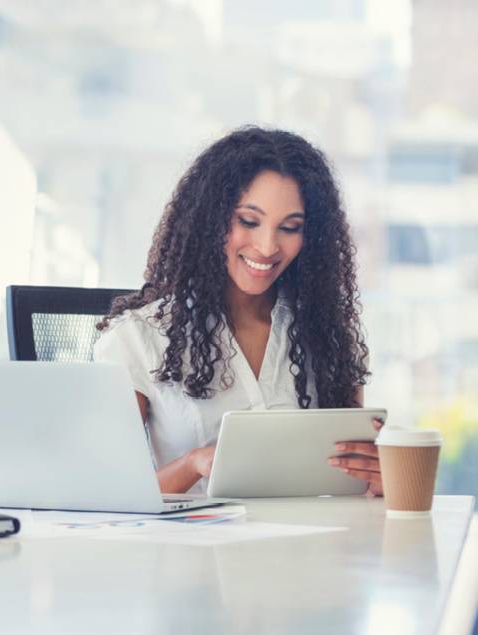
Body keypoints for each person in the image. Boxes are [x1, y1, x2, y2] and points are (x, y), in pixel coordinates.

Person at [94, 126, 383, 495]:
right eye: (248, 221)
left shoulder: (326, 333)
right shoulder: (138, 337)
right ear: (209, 219)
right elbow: (109, 496)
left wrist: (378, 478)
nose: (267, 246)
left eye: (290, 227)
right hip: (193, 549)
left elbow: (351, 479)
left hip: (308, 547)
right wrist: (193, 464)